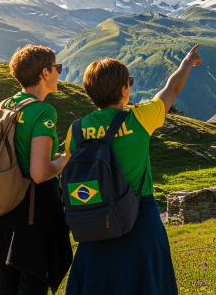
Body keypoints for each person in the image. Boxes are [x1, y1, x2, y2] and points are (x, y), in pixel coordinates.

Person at [65, 45, 201, 295]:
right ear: (123, 90)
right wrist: (187, 61)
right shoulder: (139, 119)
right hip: (139, 217)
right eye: (129, 82)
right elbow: (171, 89)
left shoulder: (75, 131)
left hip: (93, 222)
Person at [0, 45, 73, 295]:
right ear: (45, 73)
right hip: (33, 210)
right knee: (32, 284)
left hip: (4, 206)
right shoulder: (43, 110)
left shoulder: (7, 104)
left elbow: (16, 154)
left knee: (6, 284)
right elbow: (39, 173)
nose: (59, 73)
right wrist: (65, 159)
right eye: (57, 68)